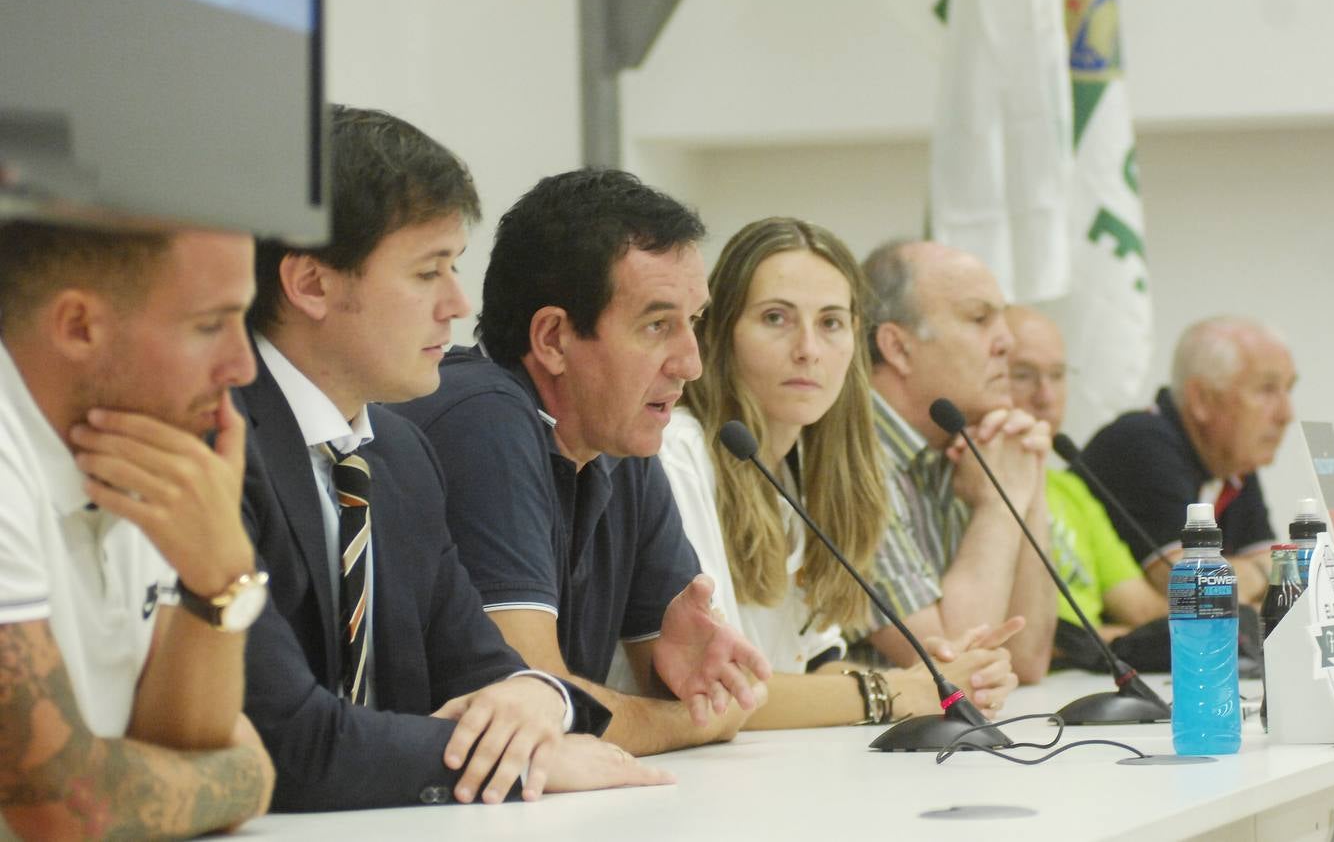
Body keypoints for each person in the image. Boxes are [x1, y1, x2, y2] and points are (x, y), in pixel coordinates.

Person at [240, 107, 668, 812]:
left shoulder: (401, 452)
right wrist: (529, 755)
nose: (456, 303)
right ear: (311, 283)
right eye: (427, 272)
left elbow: (487, 669)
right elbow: (285, 739)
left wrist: (536, 702)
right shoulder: (219, 437)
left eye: (456, 268)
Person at [394, 168, 772, 757]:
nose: (691, 364)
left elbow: (696, 688)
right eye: (656, 325)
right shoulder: (482, 416)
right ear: (552, 339)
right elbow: (534, 709)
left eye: (692, 322)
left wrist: (698, 689)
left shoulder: (620, 440)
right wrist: (695, 722)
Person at [653, 217, 1019, 728]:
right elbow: (722, 690)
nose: (808, 348)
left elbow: (811, 667)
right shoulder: (678, 452)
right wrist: (896, 691)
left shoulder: (796, 468)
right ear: (719, 334)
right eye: (776, 318)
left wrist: (943, 678)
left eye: (830, 323)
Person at [0, 220, 274, 837]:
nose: (243, 366)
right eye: (210, 326)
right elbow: (61, 806)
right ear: (78, 326)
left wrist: (220, 577)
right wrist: (246, 778)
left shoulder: (133, 445)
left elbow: (178, 747)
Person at [859, 240, 1057, 683]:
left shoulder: (961, 448)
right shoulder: (851, 460)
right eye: (980, 319)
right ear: (898, 347)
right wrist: (999, 506)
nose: (1008, 342)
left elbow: (1027, 659)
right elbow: (953, 665)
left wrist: (1027, 475)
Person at [1076, 316, 1296, 606]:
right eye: (1266, 390)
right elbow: (1194, 590)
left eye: (1288, 389)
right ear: (1201, 399)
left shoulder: (1230, 460)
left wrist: (1248, 578)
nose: (1286, 414)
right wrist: (1257, 573)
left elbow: (1286, 585)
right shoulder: (1140, 444)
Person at [1004, 306, 1166, 647]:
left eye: (1058, 375)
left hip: (1091, 673)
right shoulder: (969, 487)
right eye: (1022, 375)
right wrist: (1101, 642)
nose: (1045, 396)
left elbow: (1140, 609)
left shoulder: (1071, 489)